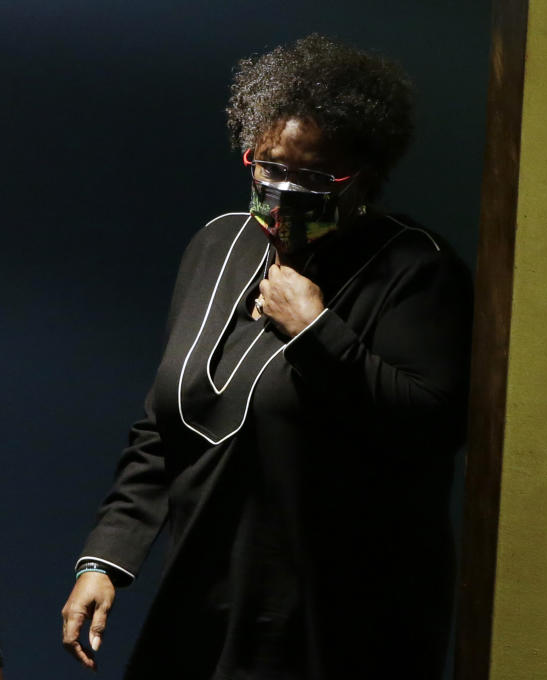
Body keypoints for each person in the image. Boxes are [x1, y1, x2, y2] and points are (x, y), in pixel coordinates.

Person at [60, 34, 473, 680]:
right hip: (201, 604)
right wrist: (105, 559)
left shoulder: (416, 271)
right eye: (269, 166)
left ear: (363, 176)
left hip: (331, 625)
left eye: (311, 177)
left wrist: (315, 331)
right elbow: (163, 426)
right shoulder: (218, 244)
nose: (283, 192)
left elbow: (432, 425)